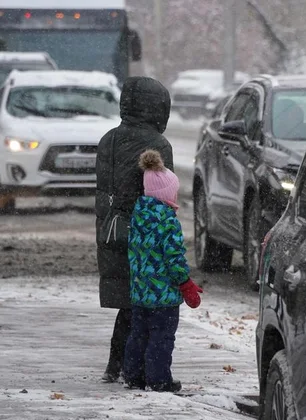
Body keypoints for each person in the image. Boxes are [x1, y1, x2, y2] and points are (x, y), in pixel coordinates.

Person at [95, 77, 174, 383]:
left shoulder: (108, 139)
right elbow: (161, 195)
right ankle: (136, 369)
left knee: (130, 304)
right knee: (142, 308)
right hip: (145, 236)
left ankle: (115, 365)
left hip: (111, 231)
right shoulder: (158, 145)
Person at [122, 150, 202, 392]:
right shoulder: (167, 220)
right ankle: (158, 379)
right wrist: (185, 283)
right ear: (166, 193)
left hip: (140, 292)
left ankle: (134, 375)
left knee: (138, 334)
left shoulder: (138, 215)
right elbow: (174, 257)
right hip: (163, 295)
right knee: (162, 337)